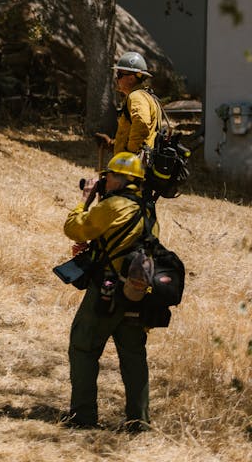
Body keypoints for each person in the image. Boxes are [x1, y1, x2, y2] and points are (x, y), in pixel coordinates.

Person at [62, 151, 159, 433]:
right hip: (137, 291)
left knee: (83, 347)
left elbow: (73, 229)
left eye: (109, 176)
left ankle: (83, 416)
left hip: (106, 291)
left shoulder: (113, 205)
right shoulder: (147, 207)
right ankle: (139, 421)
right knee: (133, 356)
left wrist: (84, 201)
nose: (106, 180)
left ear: (118, 178)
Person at [97, 51, 163, 156]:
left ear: (131, 79)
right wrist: (112, 144)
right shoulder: (143, 96)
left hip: (133, 166)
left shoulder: (137, 97)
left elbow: (142, 125)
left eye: (119, 74)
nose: (116, 78)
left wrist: (129, 154)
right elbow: (136, 132)